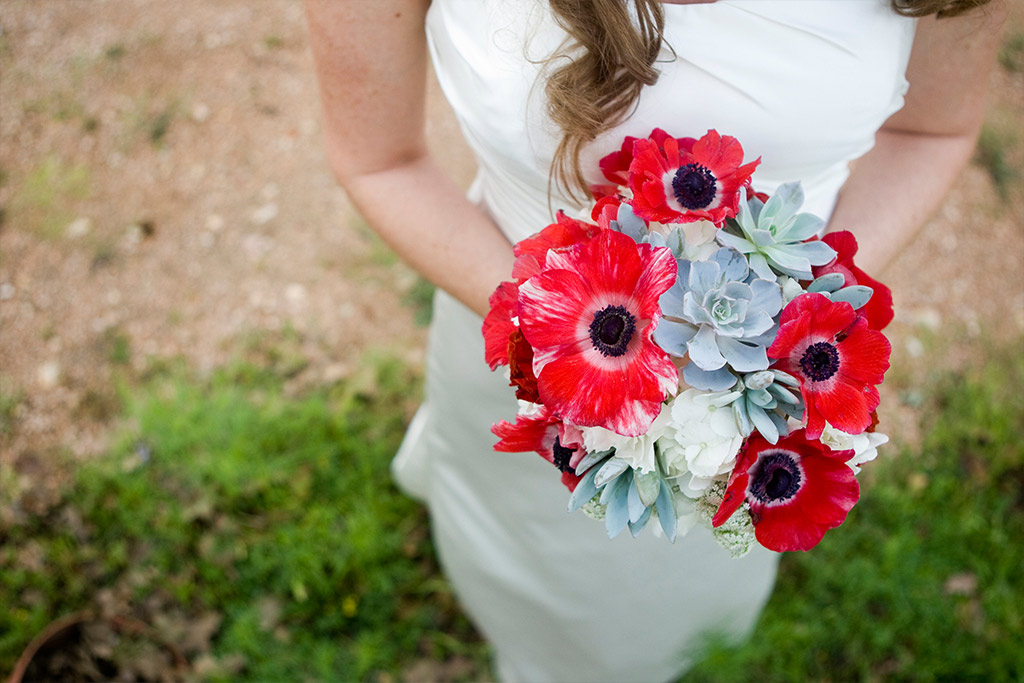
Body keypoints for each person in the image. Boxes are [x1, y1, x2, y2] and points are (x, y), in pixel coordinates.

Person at [305, 1, 1007, 681]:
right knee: (541, 585)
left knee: (670, 605)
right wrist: (561, 348)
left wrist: (795, 328)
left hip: (759, 401)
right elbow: (379, 161)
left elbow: (933, 132)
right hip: (526, 355)